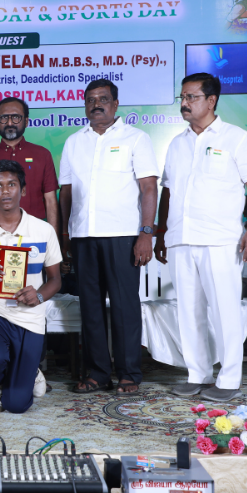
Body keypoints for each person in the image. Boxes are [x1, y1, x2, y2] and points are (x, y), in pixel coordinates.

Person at [155, 73, 247, 403]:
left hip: (220, 240)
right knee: (188, 312)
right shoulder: (177, 143)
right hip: (180, 239)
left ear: (211, 100)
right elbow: (168, 191)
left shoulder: (236, 138)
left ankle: (229, 379)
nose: (184, 103)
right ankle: (198, 374)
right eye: (182, 97)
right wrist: (161, 233)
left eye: (191, 97)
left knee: (224, 311)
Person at [59, 79, 159, 394]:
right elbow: (66, 192)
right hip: (83, 236)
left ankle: (129, 373)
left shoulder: (136, 138)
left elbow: (148, 188)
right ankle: (97, 373)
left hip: (123, 236)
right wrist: (65, 232)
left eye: (103, 99)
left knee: (124, 305)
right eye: (90, 100)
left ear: (115, 104)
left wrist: (146, 233)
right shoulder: (74, 142)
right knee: (90, 307)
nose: (96, 104)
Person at [0, 160, 62, 414]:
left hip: (29, 315)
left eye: (12, 184)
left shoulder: (43, 230)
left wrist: (39, 295)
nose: (5, 191)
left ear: (23, 189)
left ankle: (31, 371)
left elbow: (55, 279)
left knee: (17, 405)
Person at [0, 97, 59, 228]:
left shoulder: (42, 155)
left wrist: (53, 238)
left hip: (34, 232)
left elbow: (51, 201)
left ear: (26, 121)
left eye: (16, 117)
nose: (10, 123)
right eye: (4, 118)